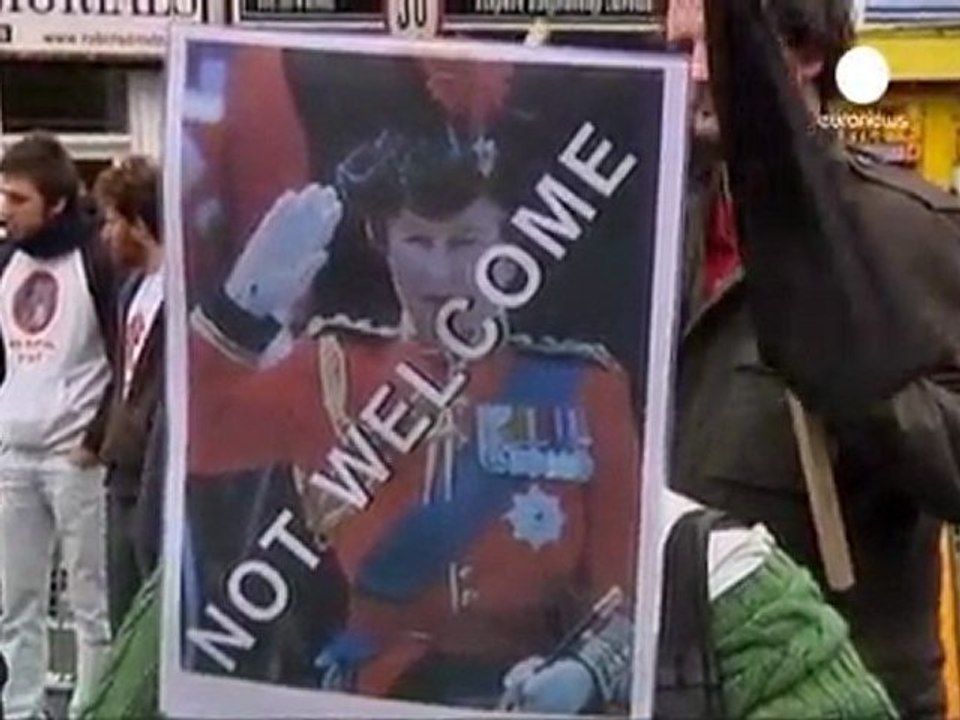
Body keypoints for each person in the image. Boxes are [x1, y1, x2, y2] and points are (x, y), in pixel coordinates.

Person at [667, 0, 960, 716]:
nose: (697, 73)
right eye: (679, 47)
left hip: (847, 690)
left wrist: (866, 387)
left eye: (718, 49)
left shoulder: (903, 233)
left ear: (805, 54)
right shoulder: (643, 227)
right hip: (679, 686)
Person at [0, 133, 117, 719]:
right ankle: (20, 709)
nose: (5, 210)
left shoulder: (96, 259)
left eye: (18, 199)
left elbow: (127, 357)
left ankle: (88, 709)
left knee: (88, 601)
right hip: (14, 449)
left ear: (57, 203)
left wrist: (95, 439)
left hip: (74, 457)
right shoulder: (7, 260)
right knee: (14, 602)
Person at [92, 156, 165, 634]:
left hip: (155, 473)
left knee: (151, 611)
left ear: (138, 223)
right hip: (122, 466)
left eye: (113, 220)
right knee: (122, 608)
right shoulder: (130, 290)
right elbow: (124, 374)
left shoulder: (182, 293)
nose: (105, 233)